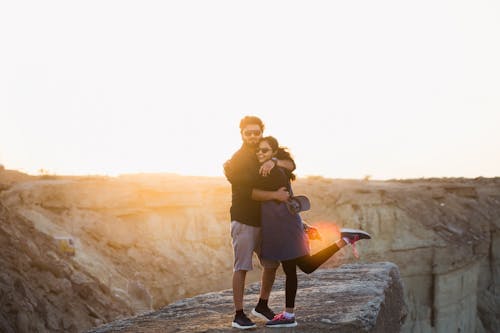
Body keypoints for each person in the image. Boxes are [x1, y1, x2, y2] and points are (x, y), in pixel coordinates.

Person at [254, 136, 371, 328]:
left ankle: (289, 315)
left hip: (284, 228)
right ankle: (345, 240)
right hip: (287, 225)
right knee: (305, 266)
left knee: (292, 270)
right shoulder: (277, 169)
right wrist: (302, 225)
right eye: (258, 151)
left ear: (273, 153)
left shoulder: (273, 172)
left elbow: (263, 196)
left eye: (264, 150)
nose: (260, 153)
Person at [223, 116, 297, 329]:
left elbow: (291, 164)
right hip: (244, 219)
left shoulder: (267, 150)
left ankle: (262, 305)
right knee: (242, 266)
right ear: (242, 134)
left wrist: (272, 161)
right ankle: (238, 314)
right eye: (249, 133)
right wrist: (275, 195)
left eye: (257, 132)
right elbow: (248, 194)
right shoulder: (238, 161)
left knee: (271, 263)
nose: (254, 136)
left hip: (266, 221)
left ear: (262, 132)